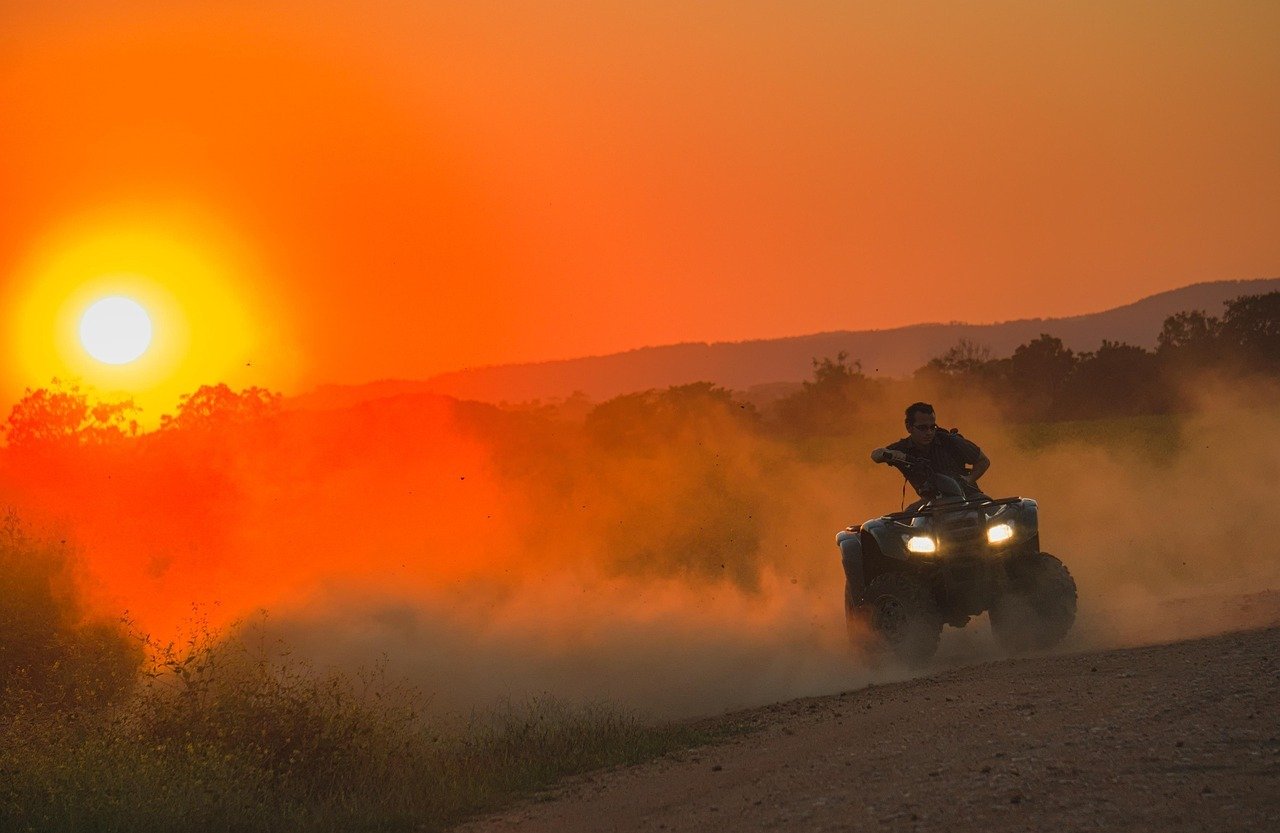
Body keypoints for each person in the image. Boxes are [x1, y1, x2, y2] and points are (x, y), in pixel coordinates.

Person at [838, 402, 991, 608]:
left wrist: (967, 482)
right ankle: (882, 598)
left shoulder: (949, 440)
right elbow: (875, 455)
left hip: (968, 499)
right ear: (909, 427)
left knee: (1006, 527)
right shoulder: (904, 448)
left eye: (932, 426)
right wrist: (891, 455)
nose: (929, 432)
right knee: (901, 535)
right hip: (929, 504)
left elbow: (983, 460)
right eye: (922, 427)